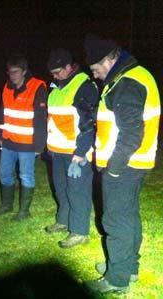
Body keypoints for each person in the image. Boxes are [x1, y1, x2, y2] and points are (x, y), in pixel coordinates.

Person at [83, 34, 160, 294]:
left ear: (107, 60)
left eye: (94, 70)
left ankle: (116, 278)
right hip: (135, 163)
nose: (94, 75)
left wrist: (113, 168)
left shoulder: (126, 82)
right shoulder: (133, 75)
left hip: (123, 166)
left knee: (116, 221)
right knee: (129, 217)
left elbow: (131, 133)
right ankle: (129, 267)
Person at [44, 48, 99, 248]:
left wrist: (80, 153)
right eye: (52, 73)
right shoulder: (56, 88)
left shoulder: (84, 86)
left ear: (69, 67)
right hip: (57, 151)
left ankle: (79, 231)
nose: (55, 76)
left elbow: (88, 123)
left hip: (76, 153)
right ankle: (63, 220)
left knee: (78, 191)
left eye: (58, 72)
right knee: (61, 187)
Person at [0, 55, 47, 221]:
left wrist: (39, 145)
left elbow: (41, 119)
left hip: (27, 143)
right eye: (9, 72)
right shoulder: (7, 87)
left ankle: (24, 211)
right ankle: (7, 205)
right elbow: (2, 113)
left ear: (24, 71)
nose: (12, 75)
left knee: (26, 176)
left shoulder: (37, 87)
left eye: (15, 72)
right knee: (4, 174)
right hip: (8, 141)